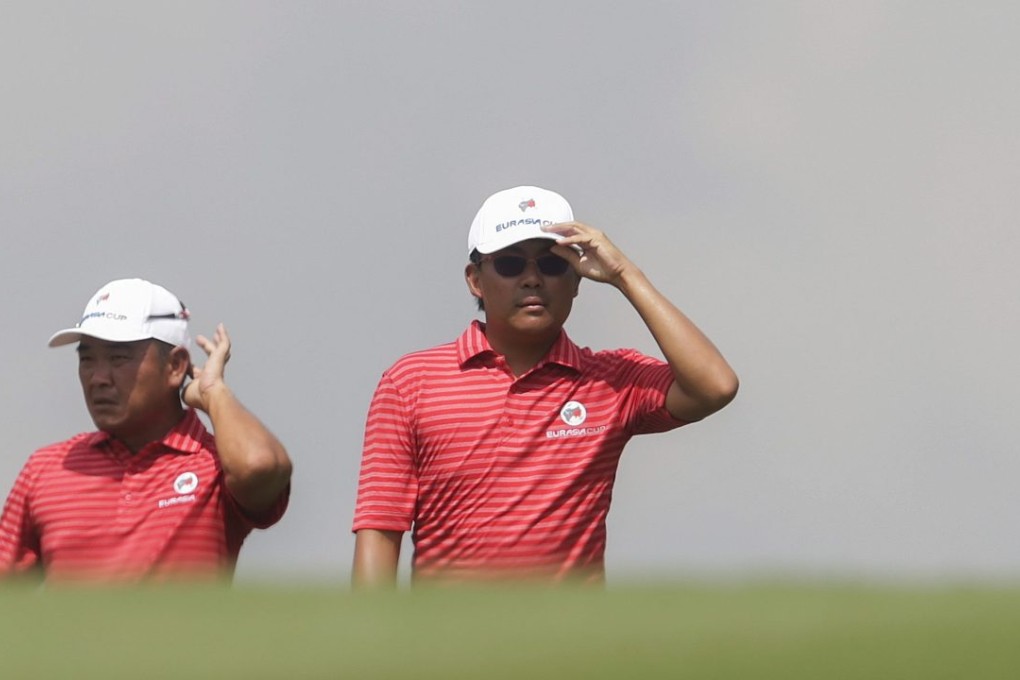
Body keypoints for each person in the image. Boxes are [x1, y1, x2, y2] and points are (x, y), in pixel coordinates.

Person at [351, 185, 738, 586]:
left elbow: (715, 386)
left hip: (570, 643)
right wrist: (373, 640)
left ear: (578, 280)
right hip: (448, 640)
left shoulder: (611, 379)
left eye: (552, 265)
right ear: (475, 280)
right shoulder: (411, 381)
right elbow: (380, 529)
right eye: (510, 264)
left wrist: (625, 275)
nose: (532, 279)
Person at [0, 278, 292, 582]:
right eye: (87, 359)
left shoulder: (217, 464)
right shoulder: (46, 468)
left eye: (118, 358)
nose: (98, 378)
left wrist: (213, 391)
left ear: (176, 366)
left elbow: (261, 466)